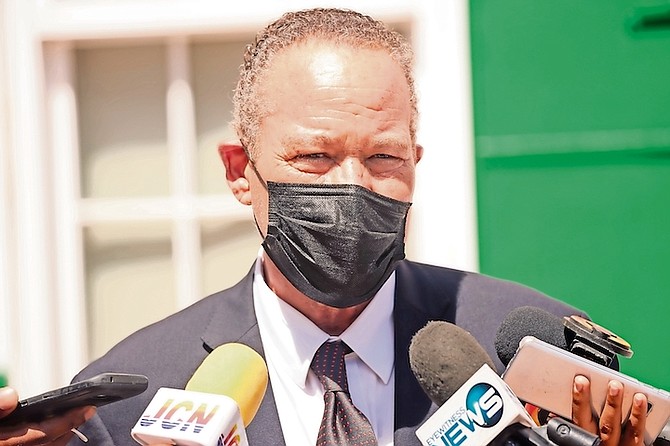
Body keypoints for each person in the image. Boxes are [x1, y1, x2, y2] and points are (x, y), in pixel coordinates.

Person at [0, 7, 648, 446]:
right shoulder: (132, 407)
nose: (352, 187)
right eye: (314, 158)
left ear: (416, 164)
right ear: (238, 171)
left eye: (383, 157)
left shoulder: (536, 366)